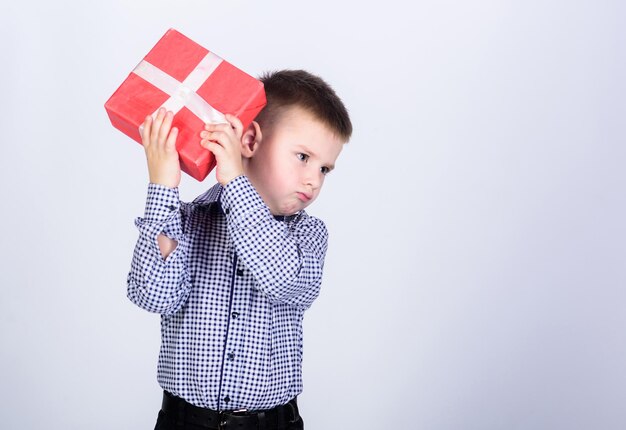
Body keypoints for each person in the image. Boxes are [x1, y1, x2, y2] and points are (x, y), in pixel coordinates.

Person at [127, 69, 352, 430]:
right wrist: (163, 188)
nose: (314, 179)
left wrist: (235, 180)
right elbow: (154, 296)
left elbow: (282, 279)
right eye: (303, 157)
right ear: (249, 141)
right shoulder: (186, 220)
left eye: (325, 168)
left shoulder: (309, 235)